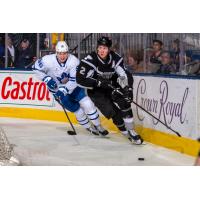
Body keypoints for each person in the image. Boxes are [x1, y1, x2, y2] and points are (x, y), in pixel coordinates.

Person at [76, 36, 143, 145]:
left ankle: (131, 130)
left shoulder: (115, 58)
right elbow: (80, 80)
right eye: (100, 48)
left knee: (125, 102)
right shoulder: (90, 60)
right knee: (113, 113)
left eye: (105, 48)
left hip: (111, 85)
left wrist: (128, 89)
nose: (102, 50)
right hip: (96, 91)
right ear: (97, 48)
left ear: (109, 49)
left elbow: (125, 74)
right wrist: (97, 82)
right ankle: (125, 133)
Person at [33, 41, 108, 136]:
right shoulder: (47, 60)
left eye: (64, 53)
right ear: (56, 53)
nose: (62, 56)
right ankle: (89, 127)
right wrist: (46, 79)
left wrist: (64, 90)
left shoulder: (74, 61)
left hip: (73, 87)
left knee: (88, 104)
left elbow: (75, 80)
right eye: (60, 53)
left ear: (68, 52)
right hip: (57, 91)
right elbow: (35, 68)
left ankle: (98, 126)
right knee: (78, 110)